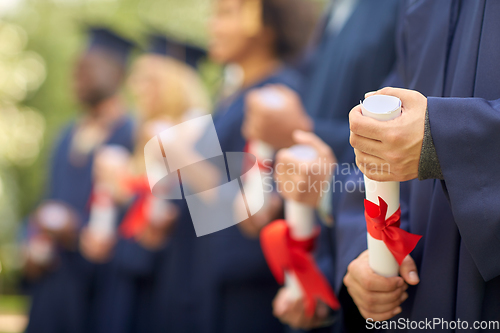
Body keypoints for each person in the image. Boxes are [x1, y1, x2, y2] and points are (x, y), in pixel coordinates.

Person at [149, 0, 316, 332]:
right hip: (203, 281)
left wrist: (178, 152)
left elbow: (254, 207)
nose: (213, 25)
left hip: (243, 294)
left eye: (225, 13)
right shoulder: (234, 97)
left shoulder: (277, 98)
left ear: (264, 20)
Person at [241, 0, 401, 331]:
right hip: (316, 237)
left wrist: (300, 130)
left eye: (228, 12)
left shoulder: (401, 9)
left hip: (363, 238)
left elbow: (404, 133)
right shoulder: (335, 12)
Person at [341, 0, 500, 331]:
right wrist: (366, 247)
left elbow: (422, 132)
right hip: (422, 289)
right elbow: (382, 139)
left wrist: (448, 139)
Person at [82, 33, 211, 333]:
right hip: (130, 278)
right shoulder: (138, 136)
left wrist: (128, 191)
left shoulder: (199, 134)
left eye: (149, 80)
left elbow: (186, 208)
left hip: (171, 284)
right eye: (137, 79)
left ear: (174, 84)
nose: (136, 89)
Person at [23, 27, 135, 333]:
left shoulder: (132, 135)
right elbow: (45, 201)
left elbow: (139, 212)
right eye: (76, 69)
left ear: (117, 72)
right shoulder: (65, 136)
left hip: (100, 292)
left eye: (87, 68)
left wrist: (78, 231)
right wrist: (30, 244)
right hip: (53, 283)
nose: (77, 76)